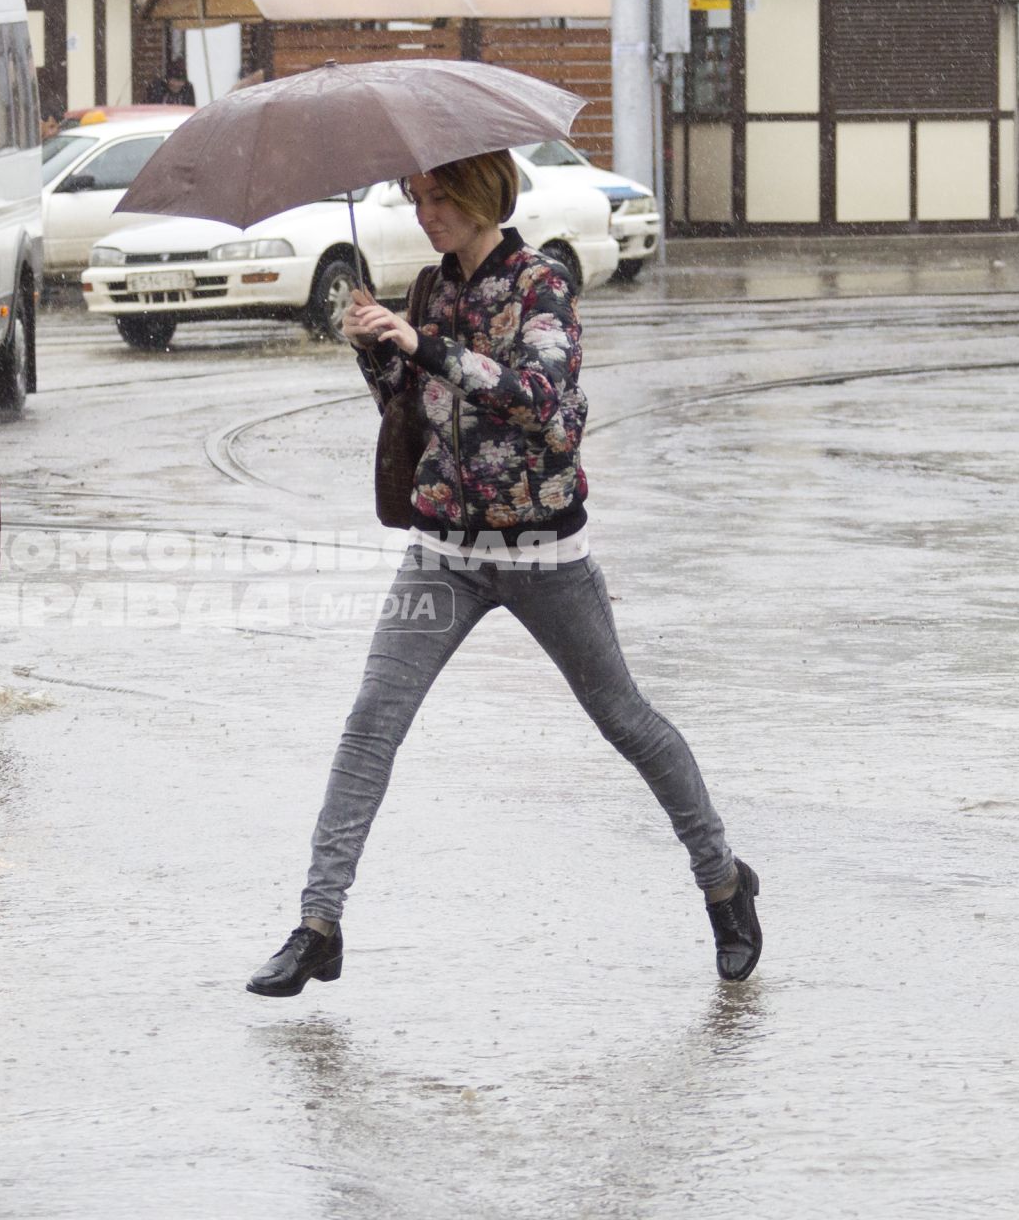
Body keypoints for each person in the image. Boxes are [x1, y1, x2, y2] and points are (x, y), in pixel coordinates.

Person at [245, 149, 762, 997]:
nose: (427, 213)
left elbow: (539, 398)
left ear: (483, 194)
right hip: (444, 553)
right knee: (370, 725)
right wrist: (379, 348)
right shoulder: (429, 289)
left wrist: (430, 345)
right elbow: (419, 411)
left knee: (626, 721)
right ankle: (317, 925)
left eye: (440, 198)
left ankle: (724, 883)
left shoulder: (541, 285)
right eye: (417, 198)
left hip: (545, 556)